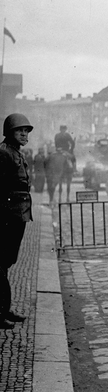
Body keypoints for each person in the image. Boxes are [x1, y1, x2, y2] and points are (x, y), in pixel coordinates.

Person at [0, 113, 33, 329]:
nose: (24, 134)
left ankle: (5, 308)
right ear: (9, 132)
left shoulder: (15, 153)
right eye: (19, 130)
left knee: (7, 263)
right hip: (6, 216)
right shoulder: (4, 154)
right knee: (0, 264)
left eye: (26, 131)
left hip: (17, 215)